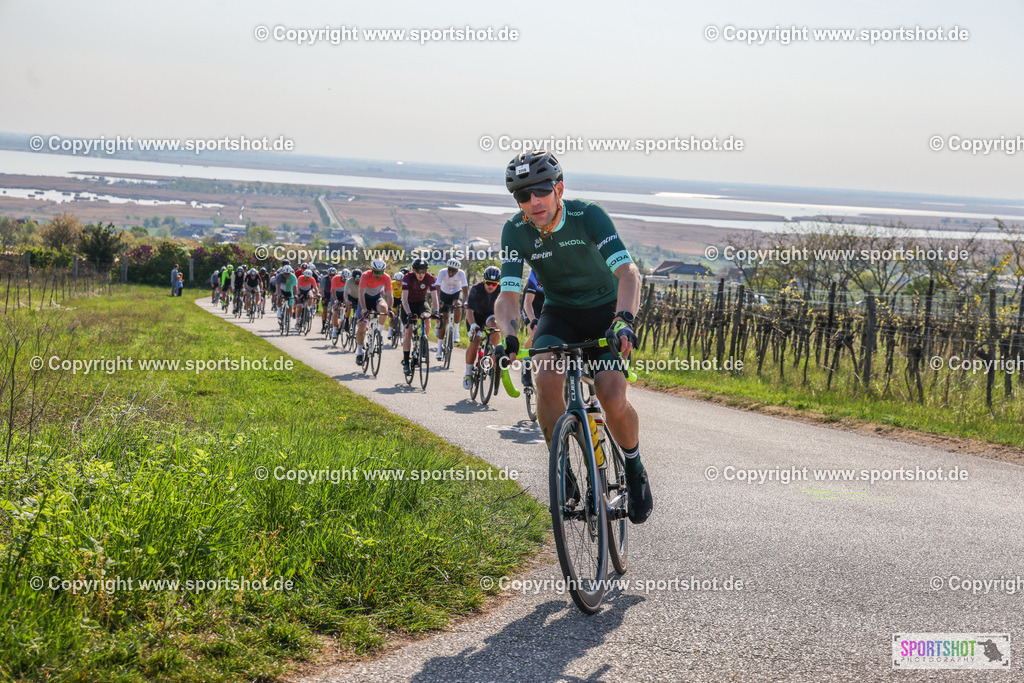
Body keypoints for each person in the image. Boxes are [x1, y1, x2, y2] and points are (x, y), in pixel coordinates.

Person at [493, 150, 652, 524]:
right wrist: (510, 337)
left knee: (611, 394)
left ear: (558, 188)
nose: (533, 202)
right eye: (522, 195)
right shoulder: (515, 231)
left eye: (541, 191)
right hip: (560, 313)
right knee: (546, 375)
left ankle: (634, 467)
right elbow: (508, 296)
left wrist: (624, 320)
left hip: (605, 314)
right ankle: (562, 469)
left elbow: (628, 273)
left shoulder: (588, 215)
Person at [462, 266, 502, 390]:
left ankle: (489, 354)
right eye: (488, 282)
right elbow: (469, 312)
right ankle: (468, 374)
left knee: (495, 327)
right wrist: (473, 325)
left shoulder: (501, 291)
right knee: (475, 341)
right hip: (475, 316)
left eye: (494, 284)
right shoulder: (476, 289)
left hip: (490, 316)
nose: (491, 286)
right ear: (484, 280)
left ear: (498, 283)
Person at [400, 258, 439, 372]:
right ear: (413, 270)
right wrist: (409, 313)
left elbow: (434, 296)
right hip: (408, 305)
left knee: (427, 319)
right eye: (418, 272)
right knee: (409, 330)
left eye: (423, 272)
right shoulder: (407, 277)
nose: (421, 274)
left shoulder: (430, 278)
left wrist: (436, 311)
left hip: (421, 303)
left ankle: (423, 343)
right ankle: (406, 362)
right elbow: (404, 299)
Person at [355, 259, 393, 366]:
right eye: (376, 272)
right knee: (362, 327)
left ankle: (379, 333)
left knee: (383, 308)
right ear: (372, 270)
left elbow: (390, 295)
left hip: (376, 298)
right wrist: (363, 308)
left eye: (381, 272)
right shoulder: (365, 275)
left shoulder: (386, 277)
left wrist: (390, 309)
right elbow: (361, 293)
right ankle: (359, 352)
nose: (378, 274)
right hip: (364, 300)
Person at [436, 258, 469, 354]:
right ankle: (439, 350)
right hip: (444, 293)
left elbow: (465, 291)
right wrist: (439, 300)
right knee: (443, 318)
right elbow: (437, 289)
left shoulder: (461, 273)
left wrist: (466, 301)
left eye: (454, 270)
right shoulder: (442, 272)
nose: (451, 272)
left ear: (457, 270)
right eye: (449, 269)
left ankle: (456, 331)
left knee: (457, 305)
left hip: (456, 293)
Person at [521, 269, 545, 387]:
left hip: (547, 305)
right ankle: (526, 368)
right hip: (531, 305)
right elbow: (527, 301)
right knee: (534, 332)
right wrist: (533, 319)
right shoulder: (535, 272)